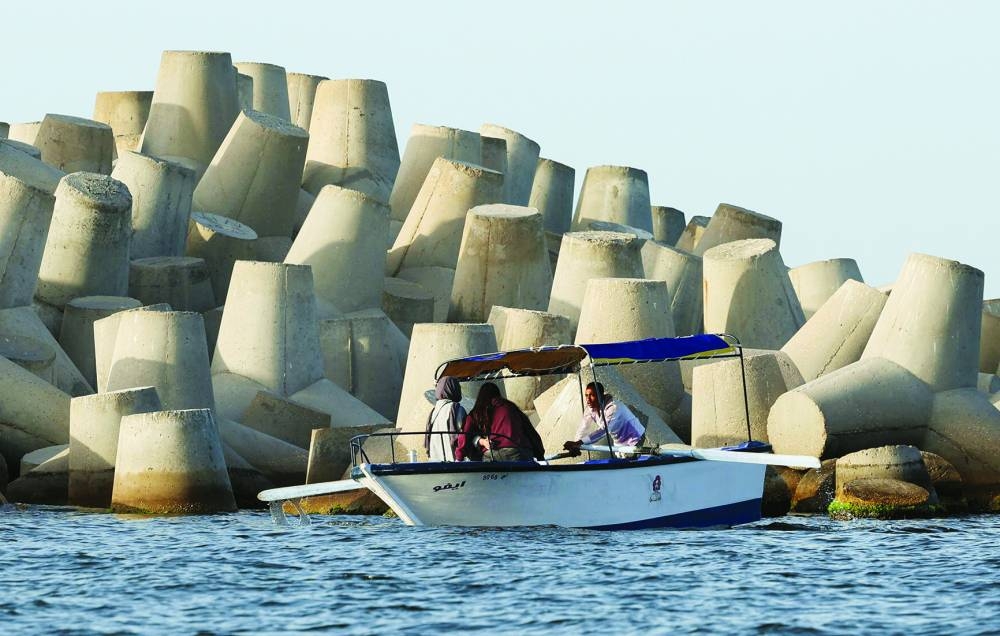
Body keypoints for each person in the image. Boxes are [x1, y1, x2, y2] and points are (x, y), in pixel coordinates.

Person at [455, 382, 544, 462]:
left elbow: (465, 435)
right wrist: (540, 455)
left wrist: (459, 458)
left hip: (492, 455)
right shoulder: (511, 407)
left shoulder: (477, 411)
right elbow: (530, 432)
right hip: (519, 453)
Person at [563, 382, 645, 456]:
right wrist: (576, 444)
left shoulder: (613, 408)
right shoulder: (590, 408)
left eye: (592, 395)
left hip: (635, 438)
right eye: (586, 395)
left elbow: (603, 430)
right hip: (619, 442)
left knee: (630, 465)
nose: (588, 399)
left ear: (600, 395)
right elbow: (583, 427)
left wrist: (579, 443)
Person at [424, 376, 467, 461]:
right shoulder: (456, 408)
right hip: (454, 460)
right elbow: (465, 432)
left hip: (435, 461)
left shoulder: (433, 411)